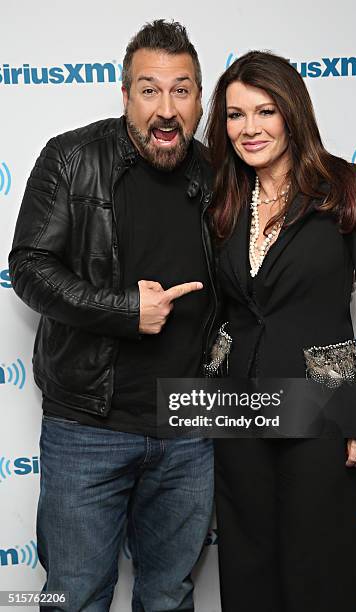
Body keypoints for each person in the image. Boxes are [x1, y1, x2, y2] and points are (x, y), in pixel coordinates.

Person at [9, 20, 217, 612]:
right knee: (72, 598)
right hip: (87, 431)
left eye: (182, 89)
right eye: (149, 89)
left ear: (200, 99)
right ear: (124, 95)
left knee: (170, 596)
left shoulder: (216, 176)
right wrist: (127, 310)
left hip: (189, 431)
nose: (166, 107)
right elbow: (28, 265)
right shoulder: (71, 159)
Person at [206, 51, 356, 612]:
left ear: (291, 111)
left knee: (320, 566)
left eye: (264, 111)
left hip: (324, 410)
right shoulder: (224, 196)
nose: (249, 129)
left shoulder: (350, 186)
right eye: (235, 115)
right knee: (247, 562)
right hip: (239, 408)